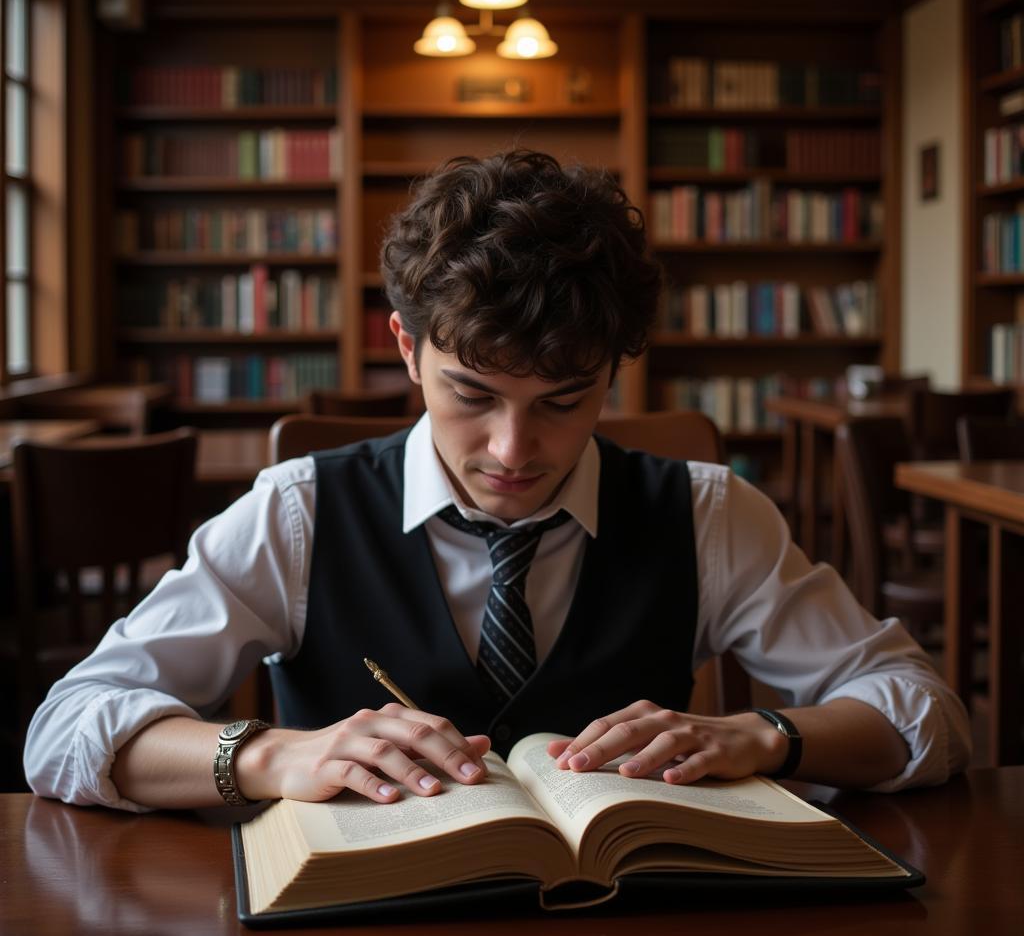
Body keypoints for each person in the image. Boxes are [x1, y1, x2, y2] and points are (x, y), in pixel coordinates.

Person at [24, 150, 969, 813]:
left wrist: (768, 736)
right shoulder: (298, 512)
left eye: (565, 400)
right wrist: (269, 752)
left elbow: (924, 711)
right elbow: (66, 729)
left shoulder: (708, 512)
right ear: (406, 346)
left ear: (614, 371)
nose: (513, 448)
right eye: (472, 394)